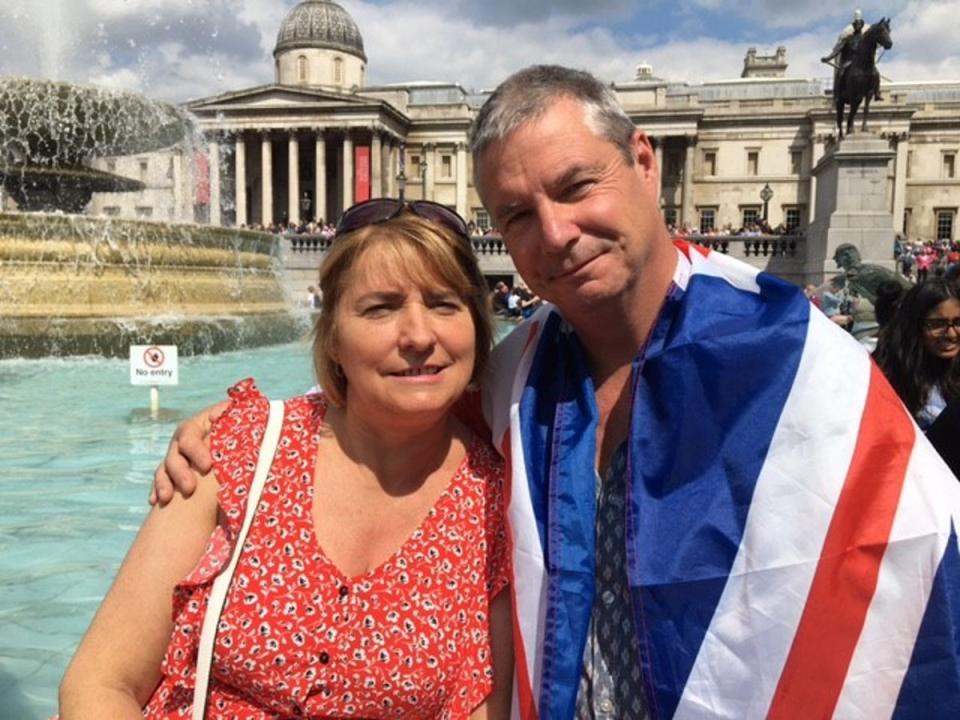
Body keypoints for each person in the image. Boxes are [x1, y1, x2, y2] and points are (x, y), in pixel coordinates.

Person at [156, 65, 960, 718]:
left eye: (577, 187)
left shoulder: (795, 357)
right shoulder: (514, 372)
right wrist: (241, 426)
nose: (556, 233)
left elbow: (918, 566)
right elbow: (387, 406)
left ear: (645, 161)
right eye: (516, 215)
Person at [60, 203, 513, 718]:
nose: (417, 335)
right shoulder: (235, 449)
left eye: (443, 304)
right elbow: (100, 683)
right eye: (380, 308)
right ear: (334, 338)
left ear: (476, 325)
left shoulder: (498, 502)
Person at [874, 279, 960, 430]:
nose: (951, 334)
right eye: (937, 324)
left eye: (958, 322)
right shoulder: (884, 376)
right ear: (914, 326)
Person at [822, 8, 883, 101]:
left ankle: (877, 93)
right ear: (854, 26)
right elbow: (837, 49)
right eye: (856, 24)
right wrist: (828, 58)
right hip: (850, 61)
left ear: (861, 25)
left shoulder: (865, 39)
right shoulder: (848, 38)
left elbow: (874, 47)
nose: (858, 26)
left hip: (863, 62)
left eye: (859, 24)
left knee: (876, 73)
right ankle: (837, 95)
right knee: (841, 72)